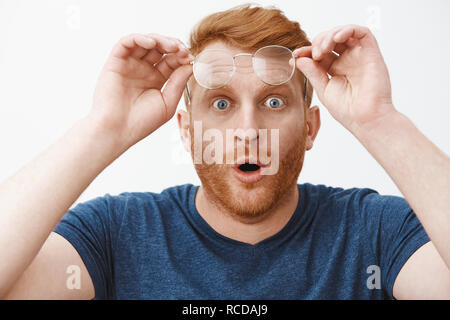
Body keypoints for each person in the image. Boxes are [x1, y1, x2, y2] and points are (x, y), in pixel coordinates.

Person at [0, 4, 449, 300]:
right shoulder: (115, 235)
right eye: (221, 103)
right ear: (186, 130)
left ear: (310, 127)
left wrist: (380, 122)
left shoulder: (378, 233)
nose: (248, 131)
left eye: (274, 102)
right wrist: (102, 130)